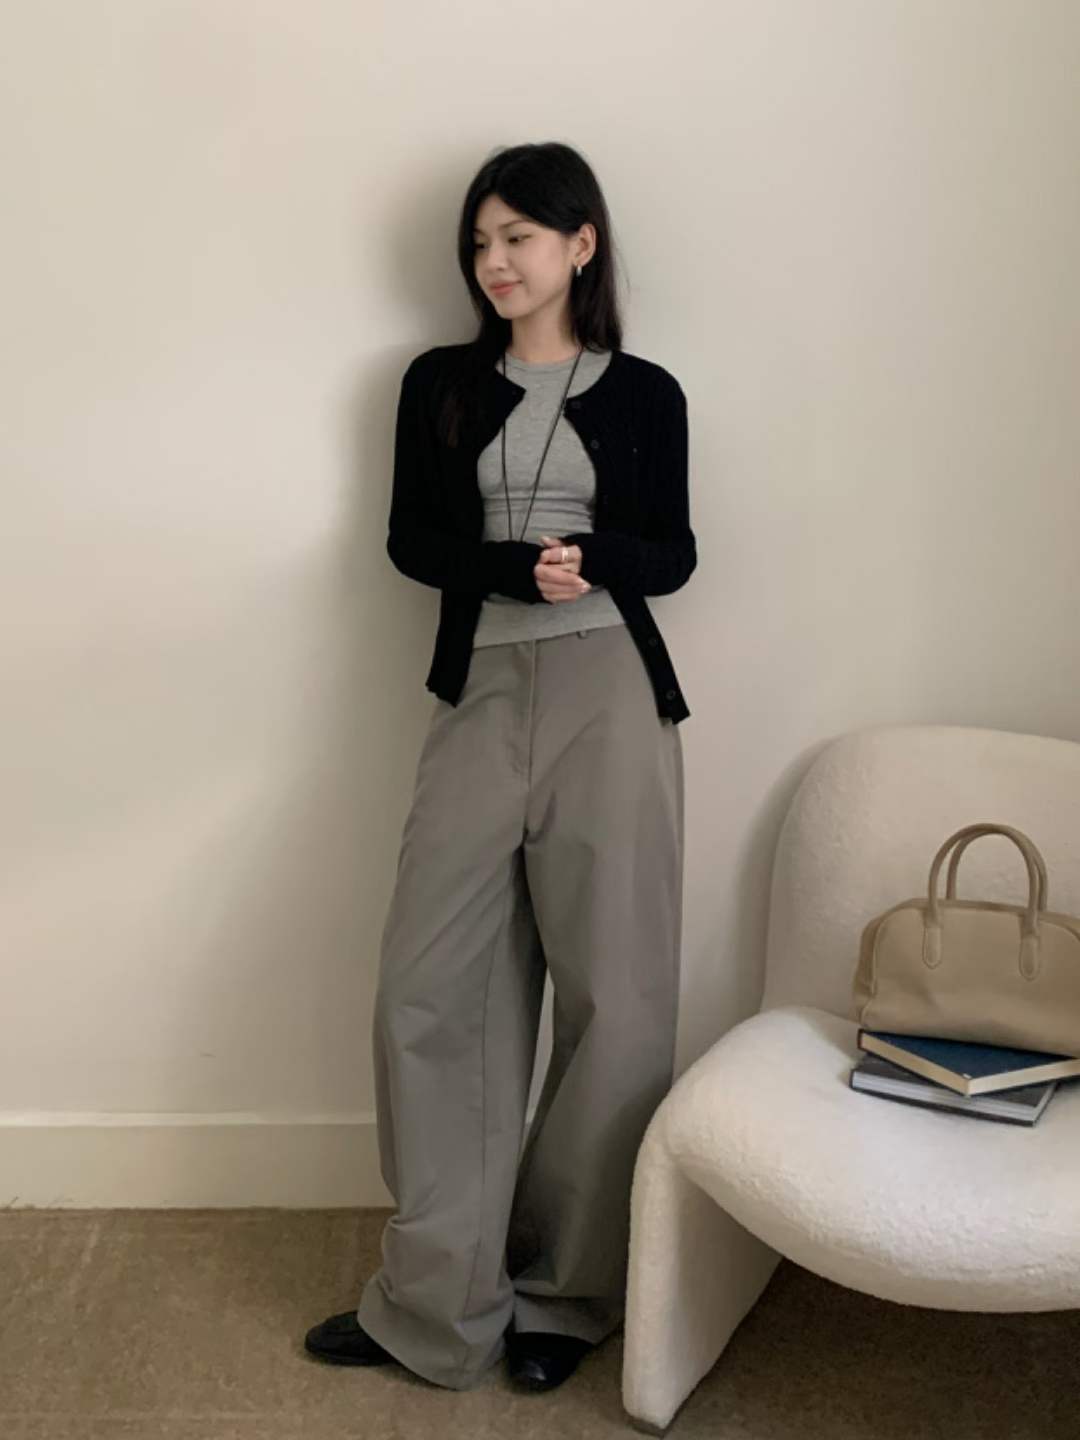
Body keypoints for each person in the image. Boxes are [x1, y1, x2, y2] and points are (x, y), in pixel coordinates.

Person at [305, 140, 696, 1394]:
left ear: (581, 244)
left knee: (615, 993)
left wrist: (599, 560)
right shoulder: (439, 384)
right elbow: (412, 540)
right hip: (479, 691)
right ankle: (436, 1301)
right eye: (480, 242)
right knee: (430, 987)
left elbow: (674, 551)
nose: (494, 261)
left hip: (611, 693)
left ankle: (564, 1297)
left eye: (517, 236)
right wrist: (511, 568)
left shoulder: (647, 395)